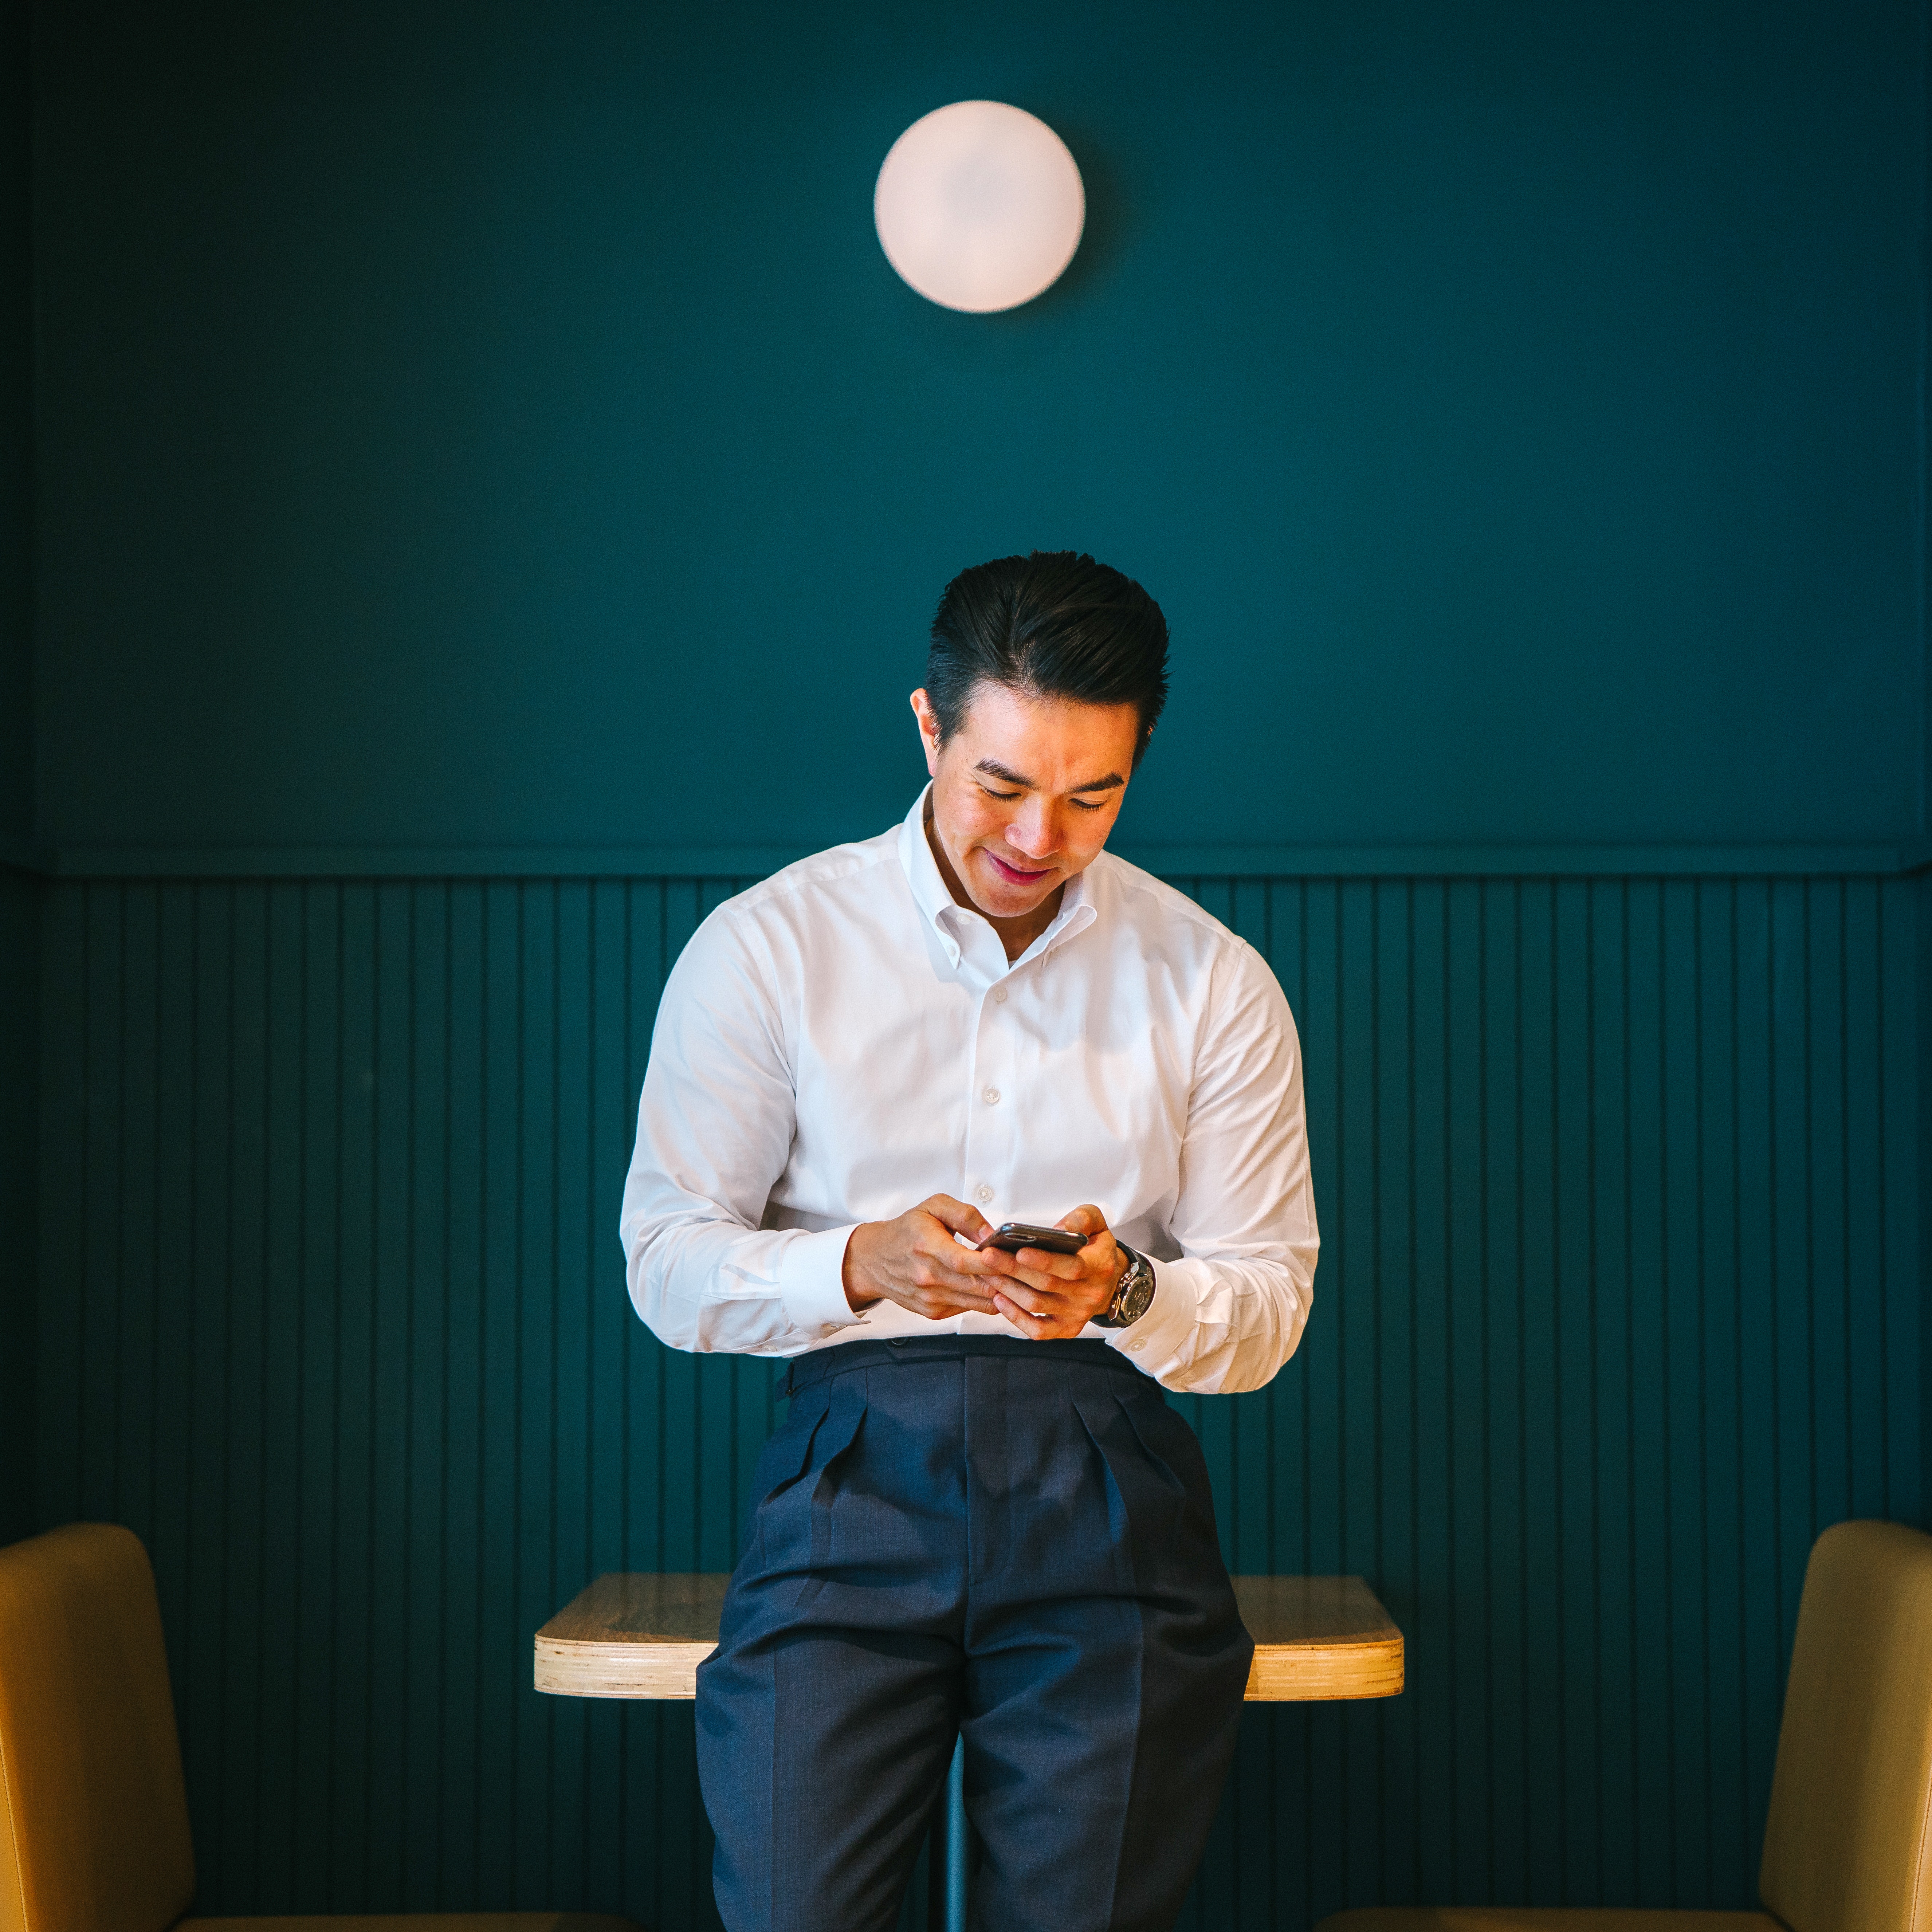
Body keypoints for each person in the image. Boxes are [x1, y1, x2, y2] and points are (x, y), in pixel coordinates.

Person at [619, 550, 1318, 1932]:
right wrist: (853, 1263)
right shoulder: (769, 948)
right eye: (1002, 784)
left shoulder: (1214, 982)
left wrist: (1126, 1294)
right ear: (930, 728)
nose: (1039, 838)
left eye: (1093, 796)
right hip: (844, 1486)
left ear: (1138, 766)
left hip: (1109, 1498)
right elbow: (665, 1260)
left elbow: (1268, 1303)